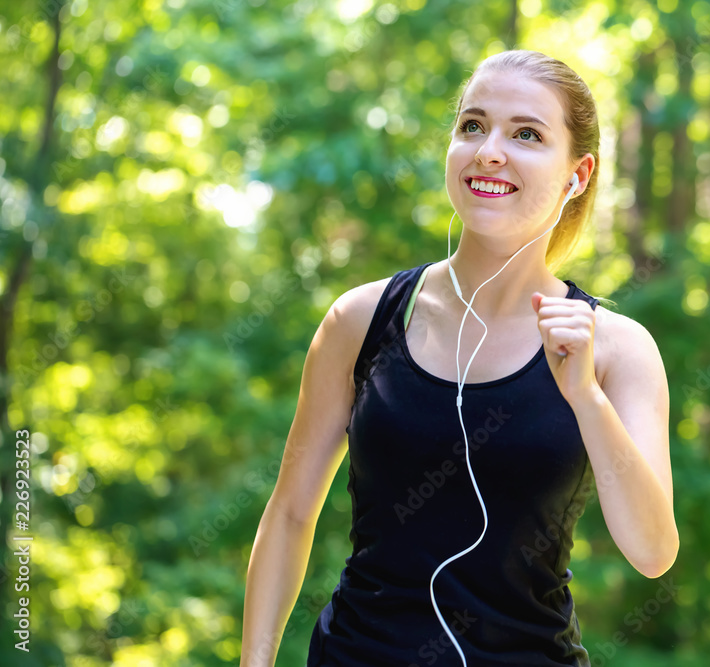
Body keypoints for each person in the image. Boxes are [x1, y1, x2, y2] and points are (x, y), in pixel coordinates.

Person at [239, 49, 677, 667]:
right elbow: (288, 514)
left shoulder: (616, 347)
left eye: (526, 134)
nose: (489, 150)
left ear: (577, 175)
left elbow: (652, 552)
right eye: (473, 125)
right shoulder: (361, 321)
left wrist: (586, 397)